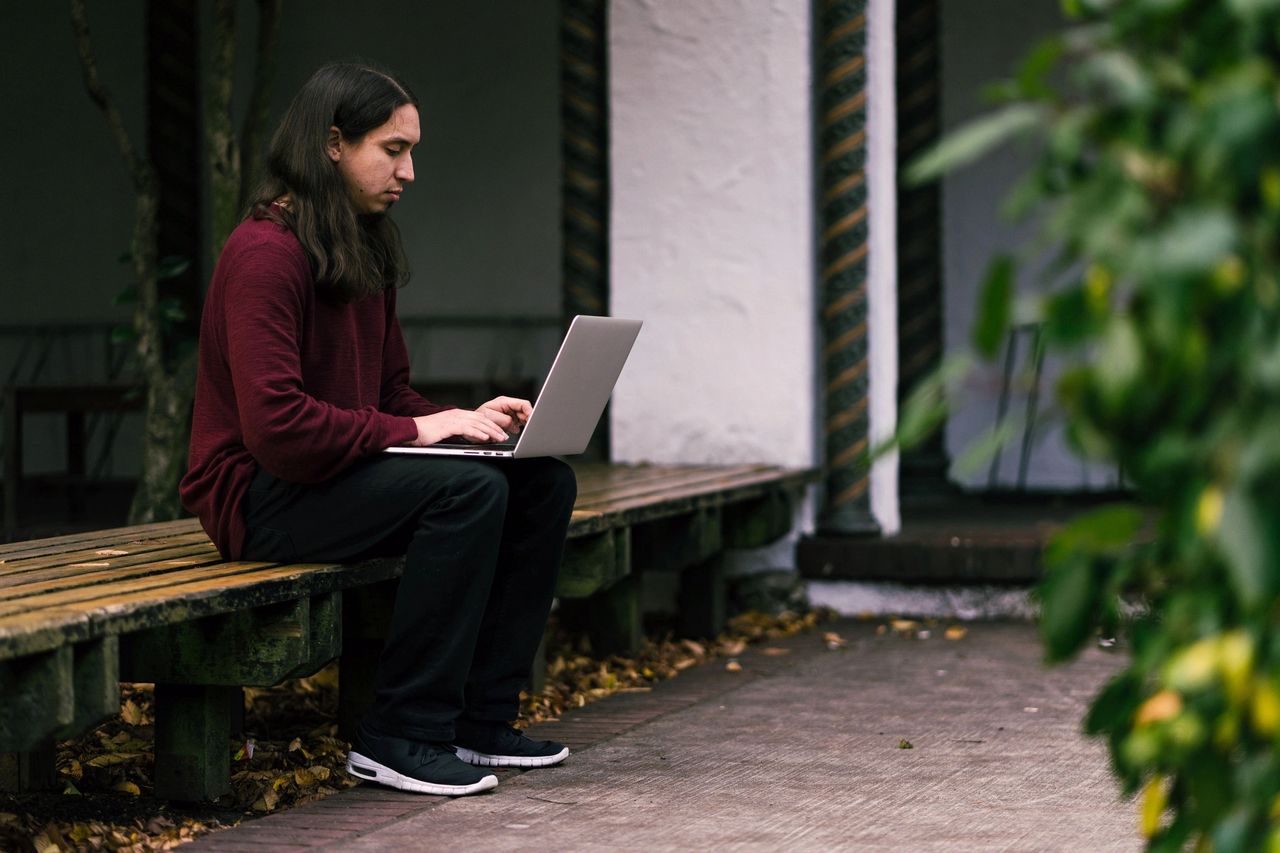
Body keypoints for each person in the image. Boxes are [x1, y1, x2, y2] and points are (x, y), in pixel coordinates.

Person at [179, 62, 576, 797]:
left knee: (541, 480)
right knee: (466, 495)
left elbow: (389, 393)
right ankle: (400, 733)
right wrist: (428, 433)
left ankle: (479, 719)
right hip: (258, 494)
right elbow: (279, 430)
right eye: (393, 149)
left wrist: (469, 424)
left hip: (330, 476)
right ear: (333, 143)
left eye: (412, 151)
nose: (410, 171)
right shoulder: (264, 255)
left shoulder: (363, 245)